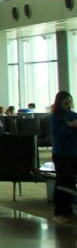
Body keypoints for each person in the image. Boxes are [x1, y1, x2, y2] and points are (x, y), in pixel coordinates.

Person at [50, 91, 77, 224]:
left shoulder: (73, 115)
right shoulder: (55, 117)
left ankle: (68, 211)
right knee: (62, 182)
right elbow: (57, 135)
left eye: (70, 102)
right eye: (65, 103)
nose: (68, 105)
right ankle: (60, 211)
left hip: (73, 153)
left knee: (70, 183)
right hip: (61, 154)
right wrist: (68, 126)